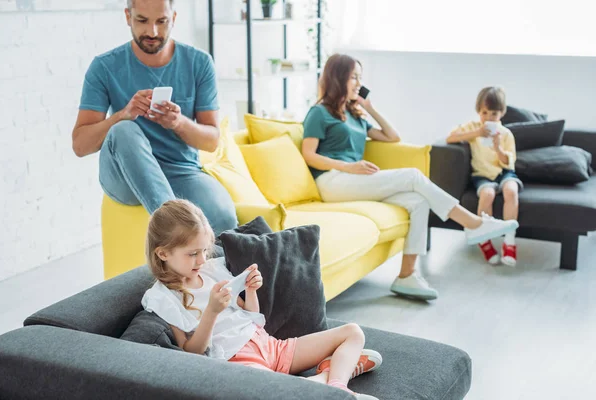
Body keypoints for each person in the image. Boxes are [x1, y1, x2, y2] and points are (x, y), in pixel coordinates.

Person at [301, 54, 519, 301]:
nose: (359, 82)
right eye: (353, 77)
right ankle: (473, 223)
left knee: (418, 201)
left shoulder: (355, 116)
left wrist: (370, 108)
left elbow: (392, 136)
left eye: (360, 77)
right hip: (332, 181)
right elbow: (309, 154)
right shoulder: (319, 112)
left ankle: (406, 275)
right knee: (414, 176)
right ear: (338, 78)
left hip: (354, 180)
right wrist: (348, 167)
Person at [141, 199, 382, 400]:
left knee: (353, 332)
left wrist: (251, 290)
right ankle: (328, 378)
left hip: (271, 346)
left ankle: (336, 386)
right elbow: (192, 352)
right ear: (163, 253)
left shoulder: (212, 269)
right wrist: (212, 312)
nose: (202, 259)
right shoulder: (163, 297)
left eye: (205, 250)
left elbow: (250, 315)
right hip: (238, 360)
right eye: (193, 254)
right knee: (275, 392)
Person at [71, 0, 237, 235]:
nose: (152, 32)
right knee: (123, 129)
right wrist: (121, 115)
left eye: (162, 21)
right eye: (142, 20)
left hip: (179, 170)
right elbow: (80, 145)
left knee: (225, 216)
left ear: (174, 18)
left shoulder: (199, 63)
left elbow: (211, 141)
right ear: (128, 16)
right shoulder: (104, 67)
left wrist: (178, 123)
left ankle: (203, 263)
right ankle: (176, 233)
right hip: (123, 175)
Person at [447, 87, 522, 266]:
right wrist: (476, 134)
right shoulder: (473, 127)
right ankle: (484, 239)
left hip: (504, 172)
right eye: (484, 112)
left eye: (494, 114)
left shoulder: (506, 134)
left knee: (511, 191)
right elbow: (450, 138)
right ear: (478, 111)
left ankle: (509, 241)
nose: (488, 117)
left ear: (502, 113)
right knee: (487, 195)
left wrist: (498, 148)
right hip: (482, 175)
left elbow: (509, 162)